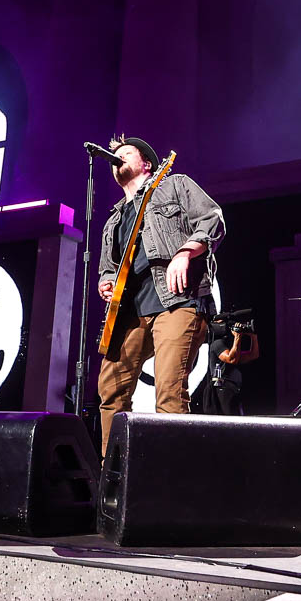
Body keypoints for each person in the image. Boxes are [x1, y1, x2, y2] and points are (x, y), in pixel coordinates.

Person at [97, 136, 225, 456]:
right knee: (110, 392)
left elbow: (212, 219)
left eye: (126, 153)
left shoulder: (175, 186)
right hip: (128, 312)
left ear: (147, 164)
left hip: (176, 301)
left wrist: (184, 252)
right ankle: (113, 478)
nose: (118, 158)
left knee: (168, 394)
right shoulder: (113, 219)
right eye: (115, 155)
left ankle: (174, 479)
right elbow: (107, 267)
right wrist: (107, 282)